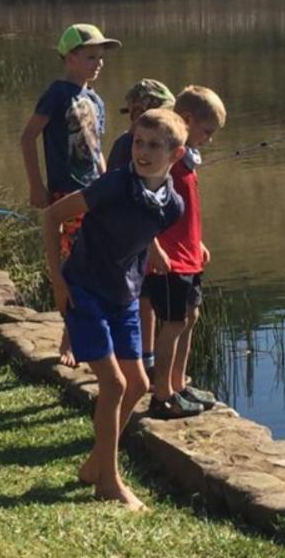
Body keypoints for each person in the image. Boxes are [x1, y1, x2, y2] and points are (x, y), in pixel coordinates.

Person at [44, 107, 188, 511]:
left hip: (124, 295)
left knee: (138, 384)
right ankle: (109, 481)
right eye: (139, 142)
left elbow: (142, 224)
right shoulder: (114, 184)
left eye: (154, 146)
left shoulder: (172, 206)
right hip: (84, 290)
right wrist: (58, 281)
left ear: (175, 155)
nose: (143, 152)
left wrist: (153, 250)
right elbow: (51, 216)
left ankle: (95, 463)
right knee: (114, 385)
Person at [20, 22, 118, 365]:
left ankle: (83, 335)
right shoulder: (58, 93)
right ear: (69, 57)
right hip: (66, 192)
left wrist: (109, 185)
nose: (98, 63)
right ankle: (69, 340)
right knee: (75, 264)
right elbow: (27, 137)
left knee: (96, 260)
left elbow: (96, 149)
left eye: (101, 57)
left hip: (94, 193)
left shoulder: (95, 99)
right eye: (91, 57)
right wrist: (36, 185)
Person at [144, 85, 227, 419]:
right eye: (207, 131)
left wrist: (198, 243)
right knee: (174, 322)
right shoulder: (165, 160)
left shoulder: (187, 159)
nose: (210, 139)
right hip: (169, 260)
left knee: (190, 317)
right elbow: (147, 208)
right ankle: (161, 395)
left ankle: (178, 384)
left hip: (188, 254)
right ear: (188, 120)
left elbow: (185, 210)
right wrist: (153, 247)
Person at [105, 78, 176, 372]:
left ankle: (145, 358)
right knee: (134, 298)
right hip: (127, 241)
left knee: (145, 297)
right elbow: (133, 205)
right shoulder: (129, 148)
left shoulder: (142, 146)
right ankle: (131, 360)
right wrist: (154, 247)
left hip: (139, 240)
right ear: (139, 114)